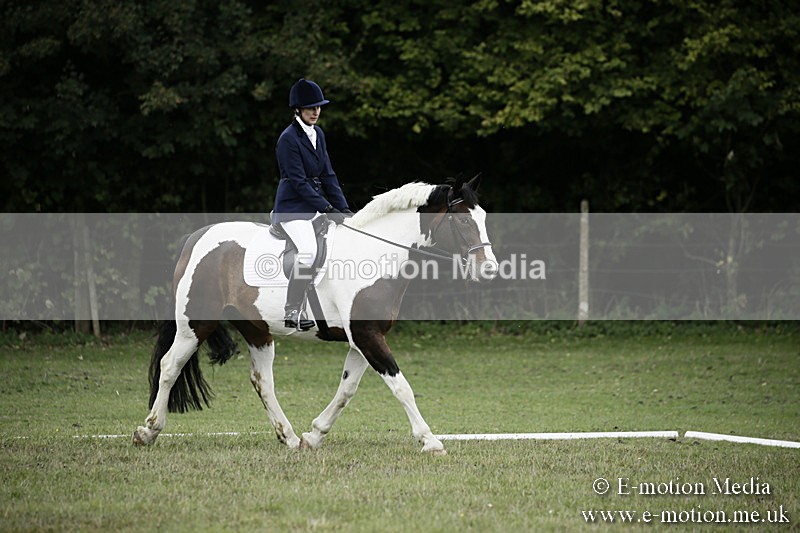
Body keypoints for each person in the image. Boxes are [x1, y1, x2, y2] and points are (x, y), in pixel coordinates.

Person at [272, 78, 353, 330]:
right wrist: (327, 209)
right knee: (307, 250)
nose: (316, 112)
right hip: (293, 209)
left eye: (318, 107)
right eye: (310, 108)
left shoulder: (318, 134)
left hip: (315, 205)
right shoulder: (288, 139)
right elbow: (298, 182)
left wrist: (344, 209)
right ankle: (293, 310)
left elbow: (328, 175)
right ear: (297, 109)